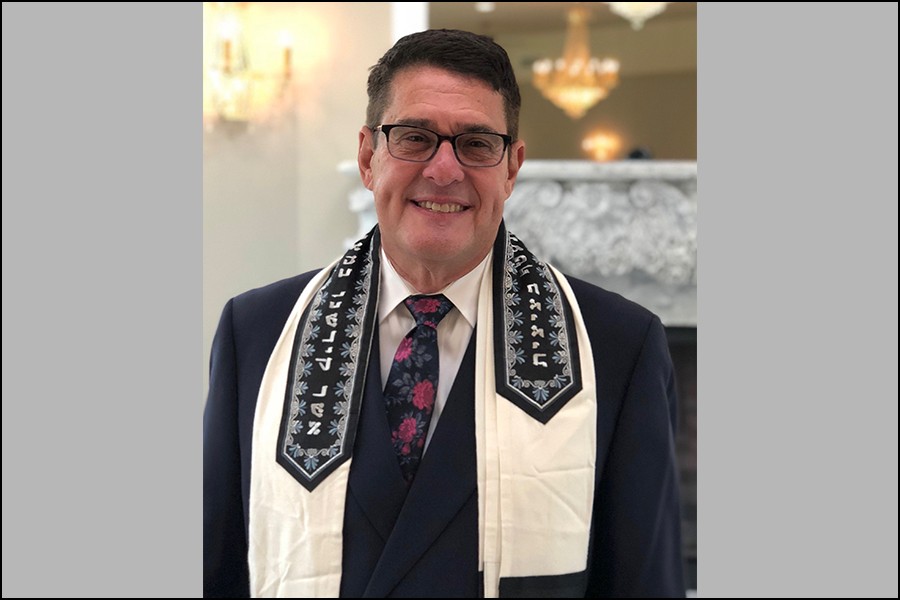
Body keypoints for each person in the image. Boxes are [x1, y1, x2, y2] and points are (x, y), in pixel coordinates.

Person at [204, 29, 685, 598]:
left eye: (476, 144)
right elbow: (216, 570)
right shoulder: (257, 334)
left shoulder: (617, 348)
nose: (444, 169)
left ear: (511, 169)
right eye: (415, 138)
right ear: (368, 157)